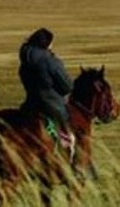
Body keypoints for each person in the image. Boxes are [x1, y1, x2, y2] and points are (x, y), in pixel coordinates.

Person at [18, 27, 75, 157]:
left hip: (30, 103)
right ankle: (67, 160)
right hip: (52, 106)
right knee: (69, 137)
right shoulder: (50, 61)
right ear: (47, 43)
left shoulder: (25, 61)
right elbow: (67, 86)